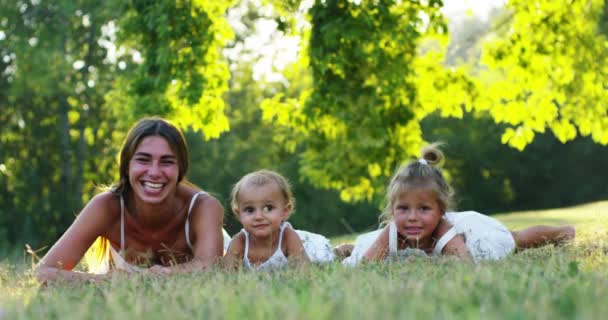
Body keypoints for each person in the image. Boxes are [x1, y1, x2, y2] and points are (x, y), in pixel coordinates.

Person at [36, 117, 230, 282]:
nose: (154, 172)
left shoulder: (204, 207)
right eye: (143, 160)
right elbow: (44, 272)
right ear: (126, 166)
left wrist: (161, 274)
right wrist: (105, 281)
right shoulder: (106, 206)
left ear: (181, 169)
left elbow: (210, 269)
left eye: (167, 161)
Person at [343, 143, 575, 265]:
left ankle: (562, 232)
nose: (412, 217)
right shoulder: (393, 230)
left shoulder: (444, 228)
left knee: (515, 241)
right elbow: (366, 266)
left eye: (423, 209)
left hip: (472, 234)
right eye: (403, 208)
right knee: (361, 246)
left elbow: (464, 263)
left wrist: (430, 265)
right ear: (393, 210)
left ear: (441, 211)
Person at [223, 170, 337, 271]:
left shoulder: (288, 237)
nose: (258, 216)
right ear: (238, 214)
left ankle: (342, 250)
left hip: (308, 246)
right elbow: (227, 274)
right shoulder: (240, 241)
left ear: (285, 211)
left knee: (327, 258)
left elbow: (304, 271)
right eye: (249, 210)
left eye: (268, 208)